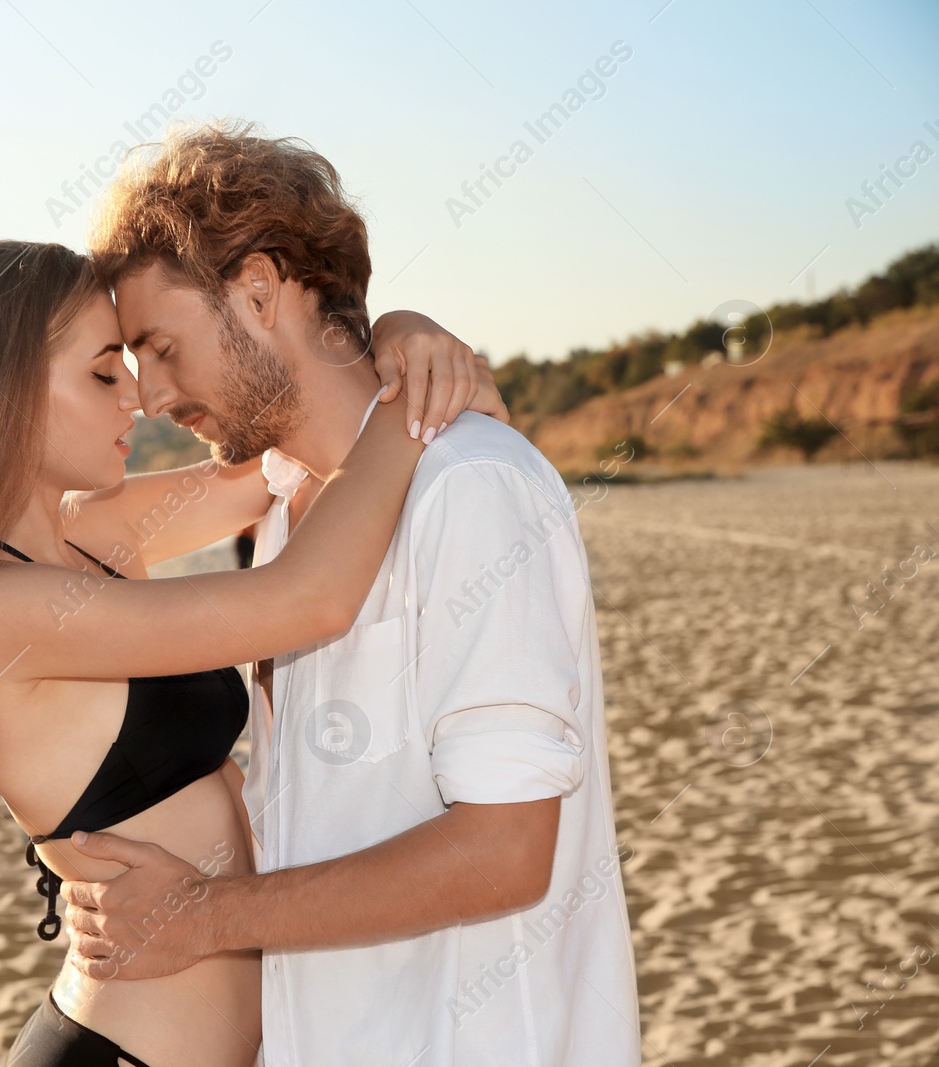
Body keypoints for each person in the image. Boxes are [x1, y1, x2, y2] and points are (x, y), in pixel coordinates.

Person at [0, 238, 506, 1067]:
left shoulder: (91, 538)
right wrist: (416, 405)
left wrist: (404, 336)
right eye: (101, 373)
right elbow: (307, 597)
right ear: (4, 394)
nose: (139, 397)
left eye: (134, 363)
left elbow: (284, 465)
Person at [59, 122, 641, 1065]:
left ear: (257, 289)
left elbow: (506, 852)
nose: (154, 397)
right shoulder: (289, 510)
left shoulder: (469, 485)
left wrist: (203, 916)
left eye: (161, 347)